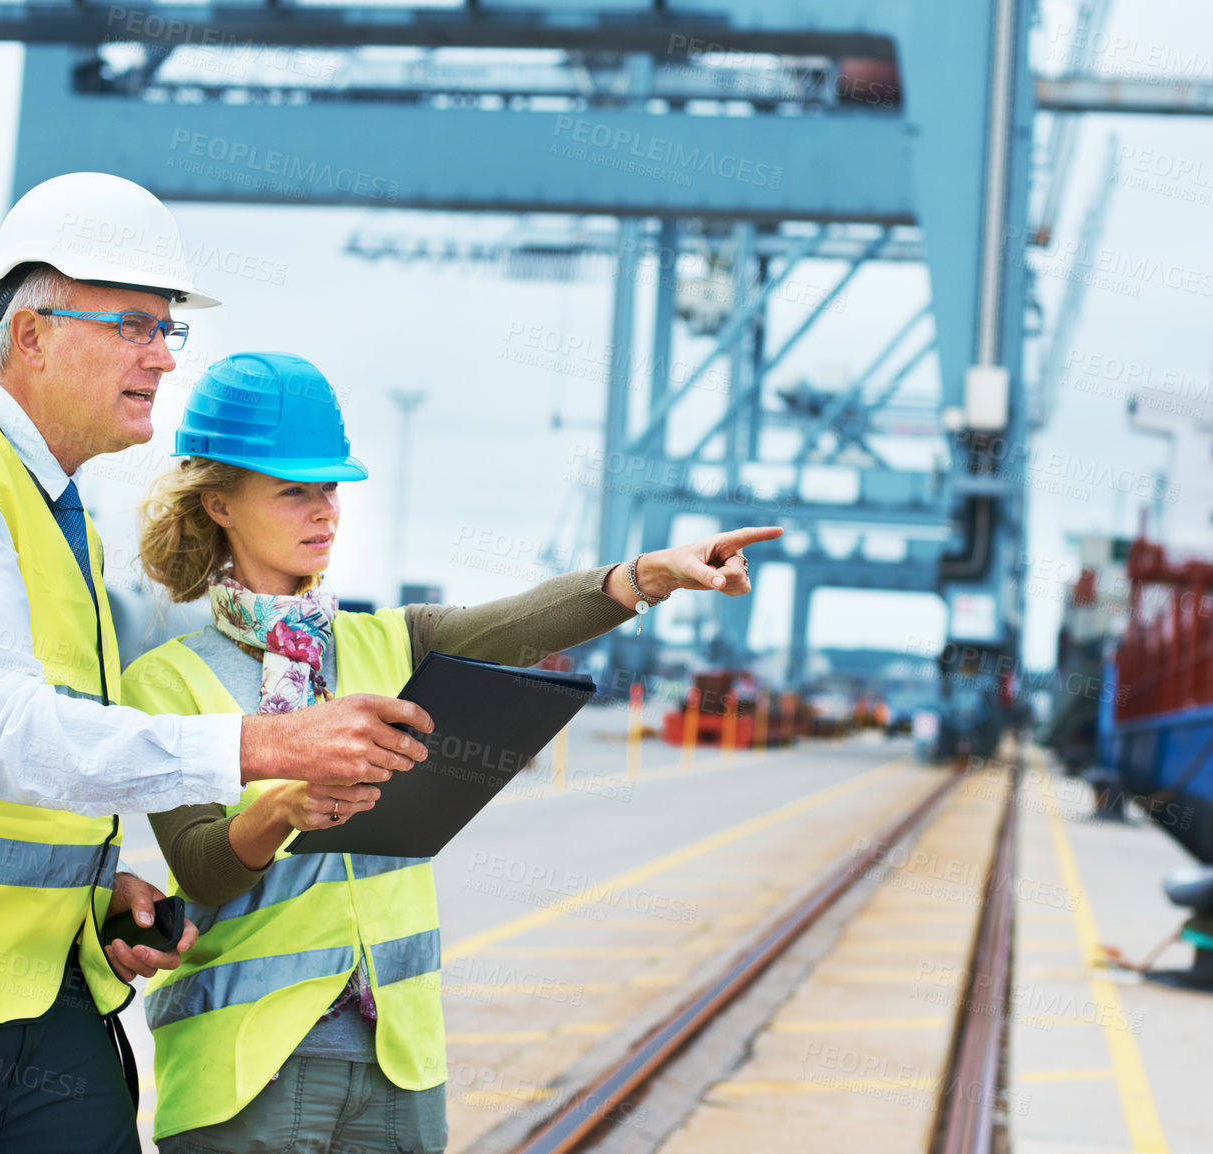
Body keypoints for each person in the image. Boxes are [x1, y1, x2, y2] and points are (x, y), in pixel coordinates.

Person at [0, 174, 433, 1154]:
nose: (161, 356)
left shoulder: (66, 525)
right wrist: (267, 741)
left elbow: (33, 777)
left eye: (166, 330)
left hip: (43, 1003)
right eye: (131, 325)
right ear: (31, 335)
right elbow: (1, 732)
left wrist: (95, 887)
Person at [122, 350, 780, 1152]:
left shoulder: (390, 643)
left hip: (397, 1062)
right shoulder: (167, 681)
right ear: (219, 504)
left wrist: (650, 575)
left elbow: (520, 624)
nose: (324, 511)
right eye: (294, 491)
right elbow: (198, 866)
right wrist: (284, 808)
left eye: (331, 488)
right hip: (249, 1067)